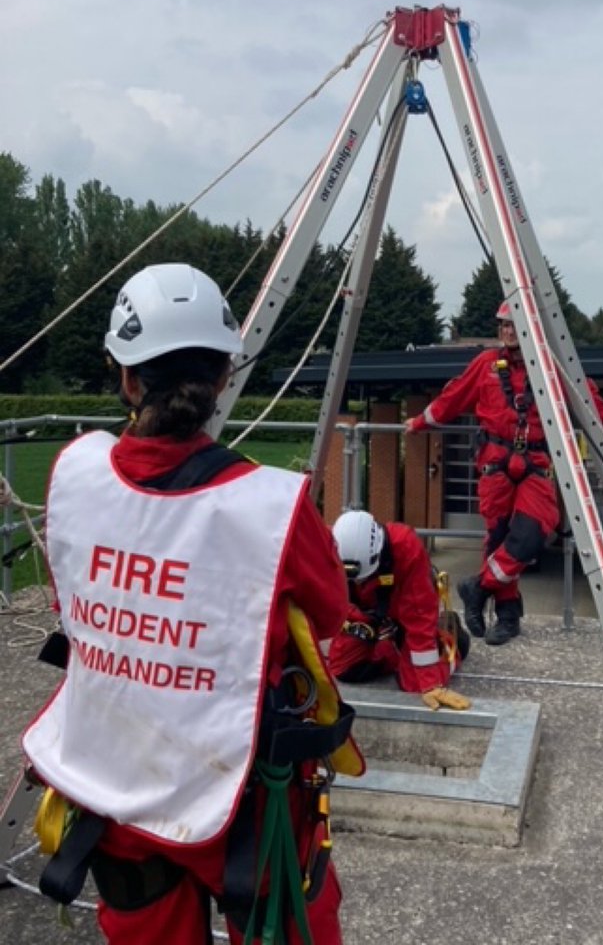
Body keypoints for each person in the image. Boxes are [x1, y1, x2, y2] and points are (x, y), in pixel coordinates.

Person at [22, 263, 358, 945]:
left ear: (126, 377)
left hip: (115, 788)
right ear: (223, 379)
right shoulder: (271, 506)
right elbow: (328, 613)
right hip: (240, 800)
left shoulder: (75, 474)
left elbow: (77, 601)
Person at [404, 301, 603, 646]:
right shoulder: (486, 365)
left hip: (534, 462)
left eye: (515, 326)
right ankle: (507, 617)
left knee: (532, 533)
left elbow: (588, 402)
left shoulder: (550, 368)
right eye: (503, 326)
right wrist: (419, 422)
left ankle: (478, 586)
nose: (508, 332)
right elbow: (452, 398)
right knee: (499, 538)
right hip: (495, 462)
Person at [329, 510, 471, 711]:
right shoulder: (334, 547)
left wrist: (430, 683)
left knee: (414, 685)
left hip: (407, 612)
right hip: (368, 612)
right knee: (344, 668)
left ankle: (450, 640)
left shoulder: (406, 549)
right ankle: (395, 650)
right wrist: (358, 622)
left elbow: (419, 615)